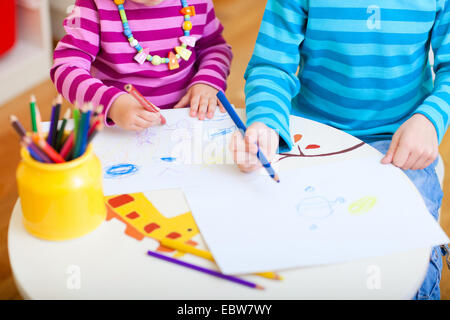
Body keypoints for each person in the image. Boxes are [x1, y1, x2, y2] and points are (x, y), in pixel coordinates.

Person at [231, 0, 450, 299]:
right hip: (311, 134)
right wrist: (266, 122)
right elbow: (271, 66)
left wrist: (429, 118)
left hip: (398, 138)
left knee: (407, 250)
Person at [51, 0, 232, 130]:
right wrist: (111, 103)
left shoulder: (198, 3)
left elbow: (215, 47)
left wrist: (208, 81)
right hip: (117, 128)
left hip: (185, 122)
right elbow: (65, 68)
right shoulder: (93, 5)